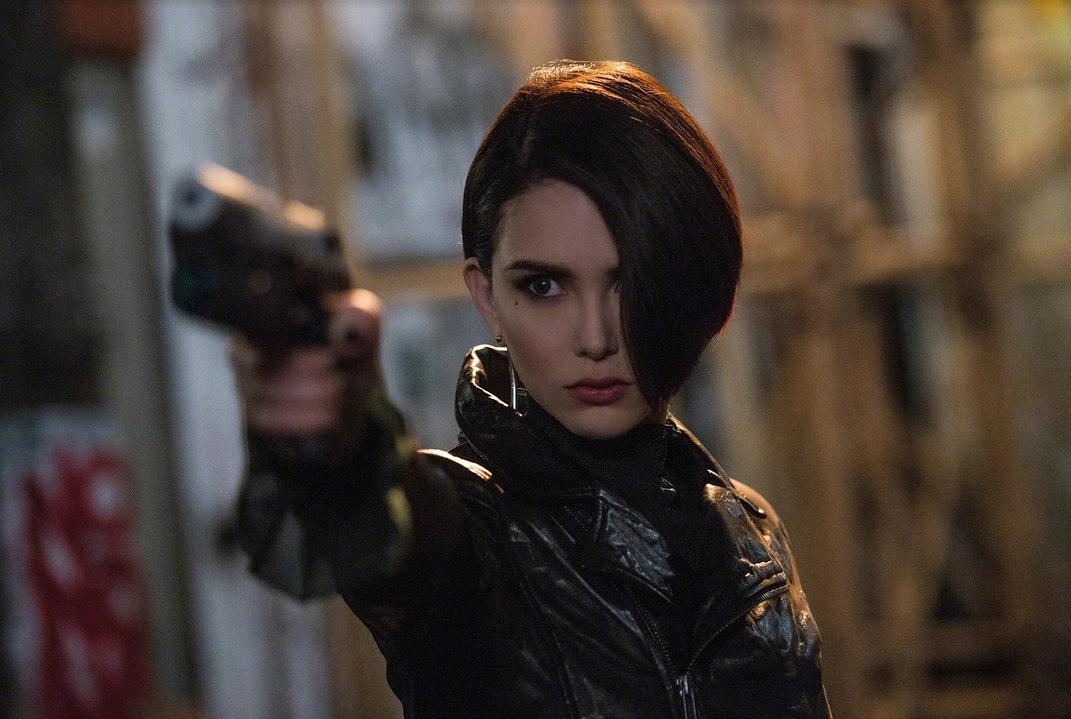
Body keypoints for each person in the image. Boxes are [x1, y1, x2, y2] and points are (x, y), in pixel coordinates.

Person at [231, 60, 831, 718]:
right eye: (544, 286)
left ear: (695, 285)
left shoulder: (750, 528)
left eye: (629, 282)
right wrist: (334, 443)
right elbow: (379, 522)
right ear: (487, 295)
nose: (595, 337)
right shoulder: (471, 538)